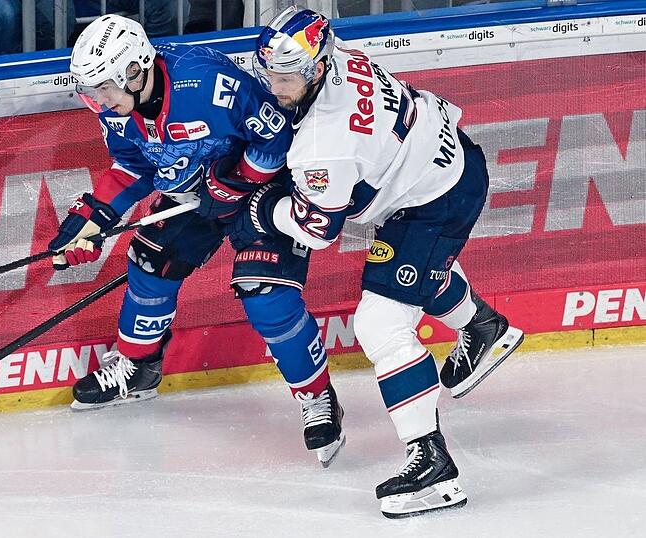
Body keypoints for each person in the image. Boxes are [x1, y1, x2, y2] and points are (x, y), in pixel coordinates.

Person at [231, 6, 524, 518]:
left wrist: (259, 208)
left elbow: (315, 231)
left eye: (286, 79)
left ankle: (432, 463)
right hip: (445, 164)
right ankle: (484, 327)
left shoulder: (324, 144)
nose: (275, 89)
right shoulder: (338, 55)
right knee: (412, 275)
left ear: (316, 68)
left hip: (434, 202)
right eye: (270, 76)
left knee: (380, 322)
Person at [50, 14, 346, 468]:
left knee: (264, 293)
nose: (99, 102)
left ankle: (317, 396)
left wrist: (235, 184)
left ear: (135, 71)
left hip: (266, 188)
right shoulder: (118, 111)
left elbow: (276, 135)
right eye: (90, 91)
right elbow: (134, 166)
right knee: (150, 264)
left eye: (104, 88)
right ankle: (139, 366)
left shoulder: (205, 82)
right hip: (195, 194)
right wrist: (94, 215)